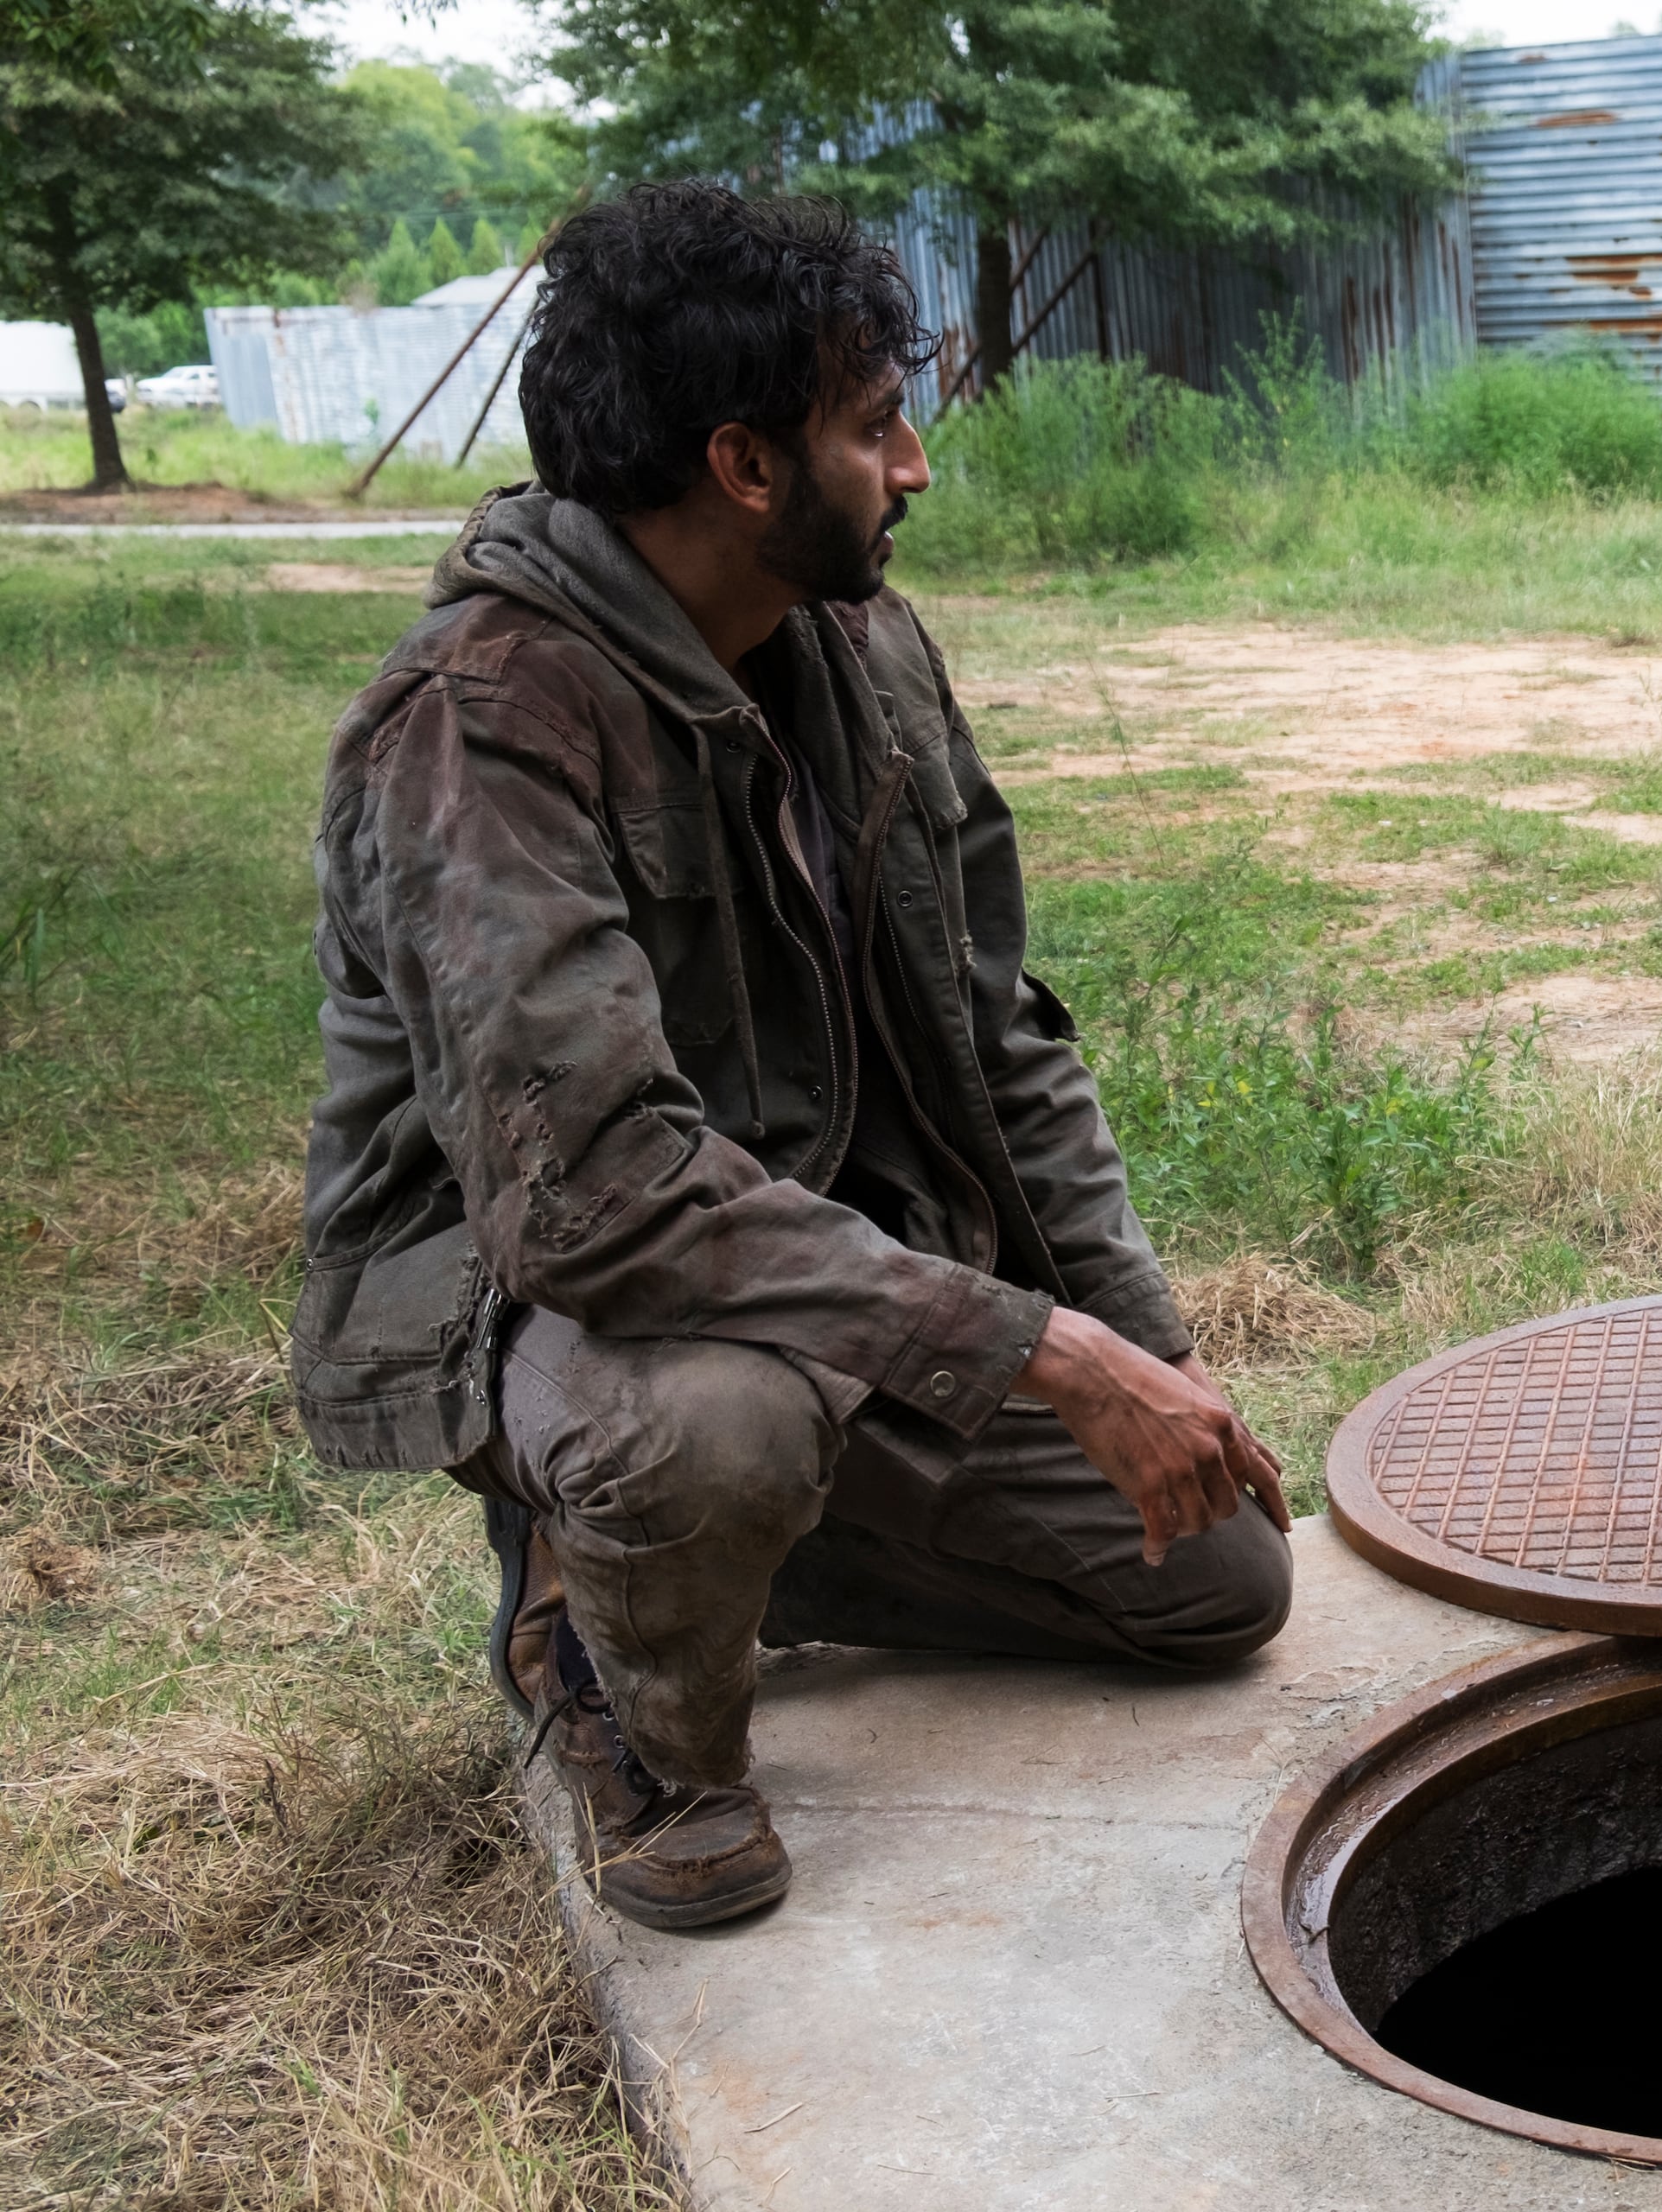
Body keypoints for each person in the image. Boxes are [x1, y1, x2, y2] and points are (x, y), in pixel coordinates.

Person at [290, 183, 1294, 1931]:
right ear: (746, 465)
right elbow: (596, 1203)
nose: (914, 467)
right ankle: (625, 1684)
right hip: (558, 1290)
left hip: (817, 1258)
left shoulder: (862, 647)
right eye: (875, 425)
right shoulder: (481, 725)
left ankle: (699, 1551)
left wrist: (1154, 1359)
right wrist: (1035, 1349)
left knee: (1213, 1583)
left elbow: (1001, 1038)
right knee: (711, 1426)